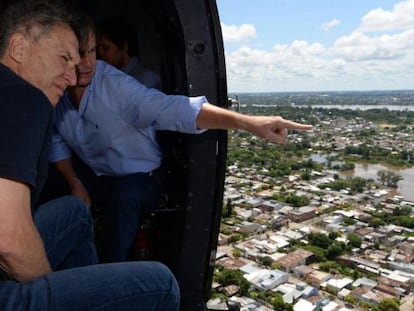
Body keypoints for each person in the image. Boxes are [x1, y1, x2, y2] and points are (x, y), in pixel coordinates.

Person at [46, 15, 313, 263]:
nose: (89, 62)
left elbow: (174, 109)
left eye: (92, 51)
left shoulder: (116, 87)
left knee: (123, 197)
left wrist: (249, 123)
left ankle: (106, 276)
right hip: (94, 171)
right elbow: (56, 141)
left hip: (139, 175)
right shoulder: (52, 86)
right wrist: (74, 183)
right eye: (78, 54)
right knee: (47, 182)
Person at [0, 1, 179, 310]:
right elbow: (8, 237)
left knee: (75, 212)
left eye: (81, 60)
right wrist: (57, 292)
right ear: (18, 47)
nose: (72, 77)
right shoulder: (23, 96)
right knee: (162, 283)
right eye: (64, 59)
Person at [97, 15, 161, 89]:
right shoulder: (107, 80)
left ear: (124, 46)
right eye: (98, 49)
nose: (100, 53)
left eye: (106, 48)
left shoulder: (146, 80)